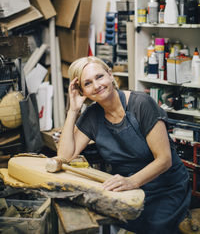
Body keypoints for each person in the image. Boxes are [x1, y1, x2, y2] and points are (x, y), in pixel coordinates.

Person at [57, 56, 191, 234]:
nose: (97, 86)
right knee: (102, 219)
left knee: (154, 227)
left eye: (99, 77)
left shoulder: (141, 104)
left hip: (166, 186)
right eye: (88, 83)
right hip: (127, 187)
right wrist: (73, 110)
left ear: (110, 75)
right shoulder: (92, 115)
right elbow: (65, 157)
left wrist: (131, 181)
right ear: (82, 91)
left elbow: (164, 160)